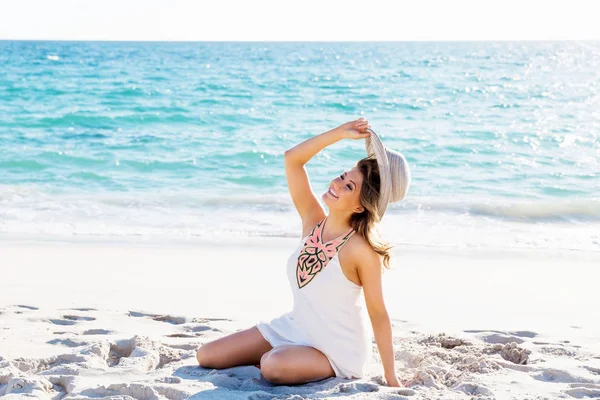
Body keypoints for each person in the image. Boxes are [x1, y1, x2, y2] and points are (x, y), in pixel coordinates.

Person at [196, 117, 411, 387]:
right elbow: (292, 160)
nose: (337, 183)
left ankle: (290, 360)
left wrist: (391, 377)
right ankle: (285, 356)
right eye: (343, 176)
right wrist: (340, 134)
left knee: (272, 365)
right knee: (206, 355)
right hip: (294, 328)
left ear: (359, 207)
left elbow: (378, 313)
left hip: (336, 349)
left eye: (349, 187)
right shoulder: (313, 222)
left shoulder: (361, 251)